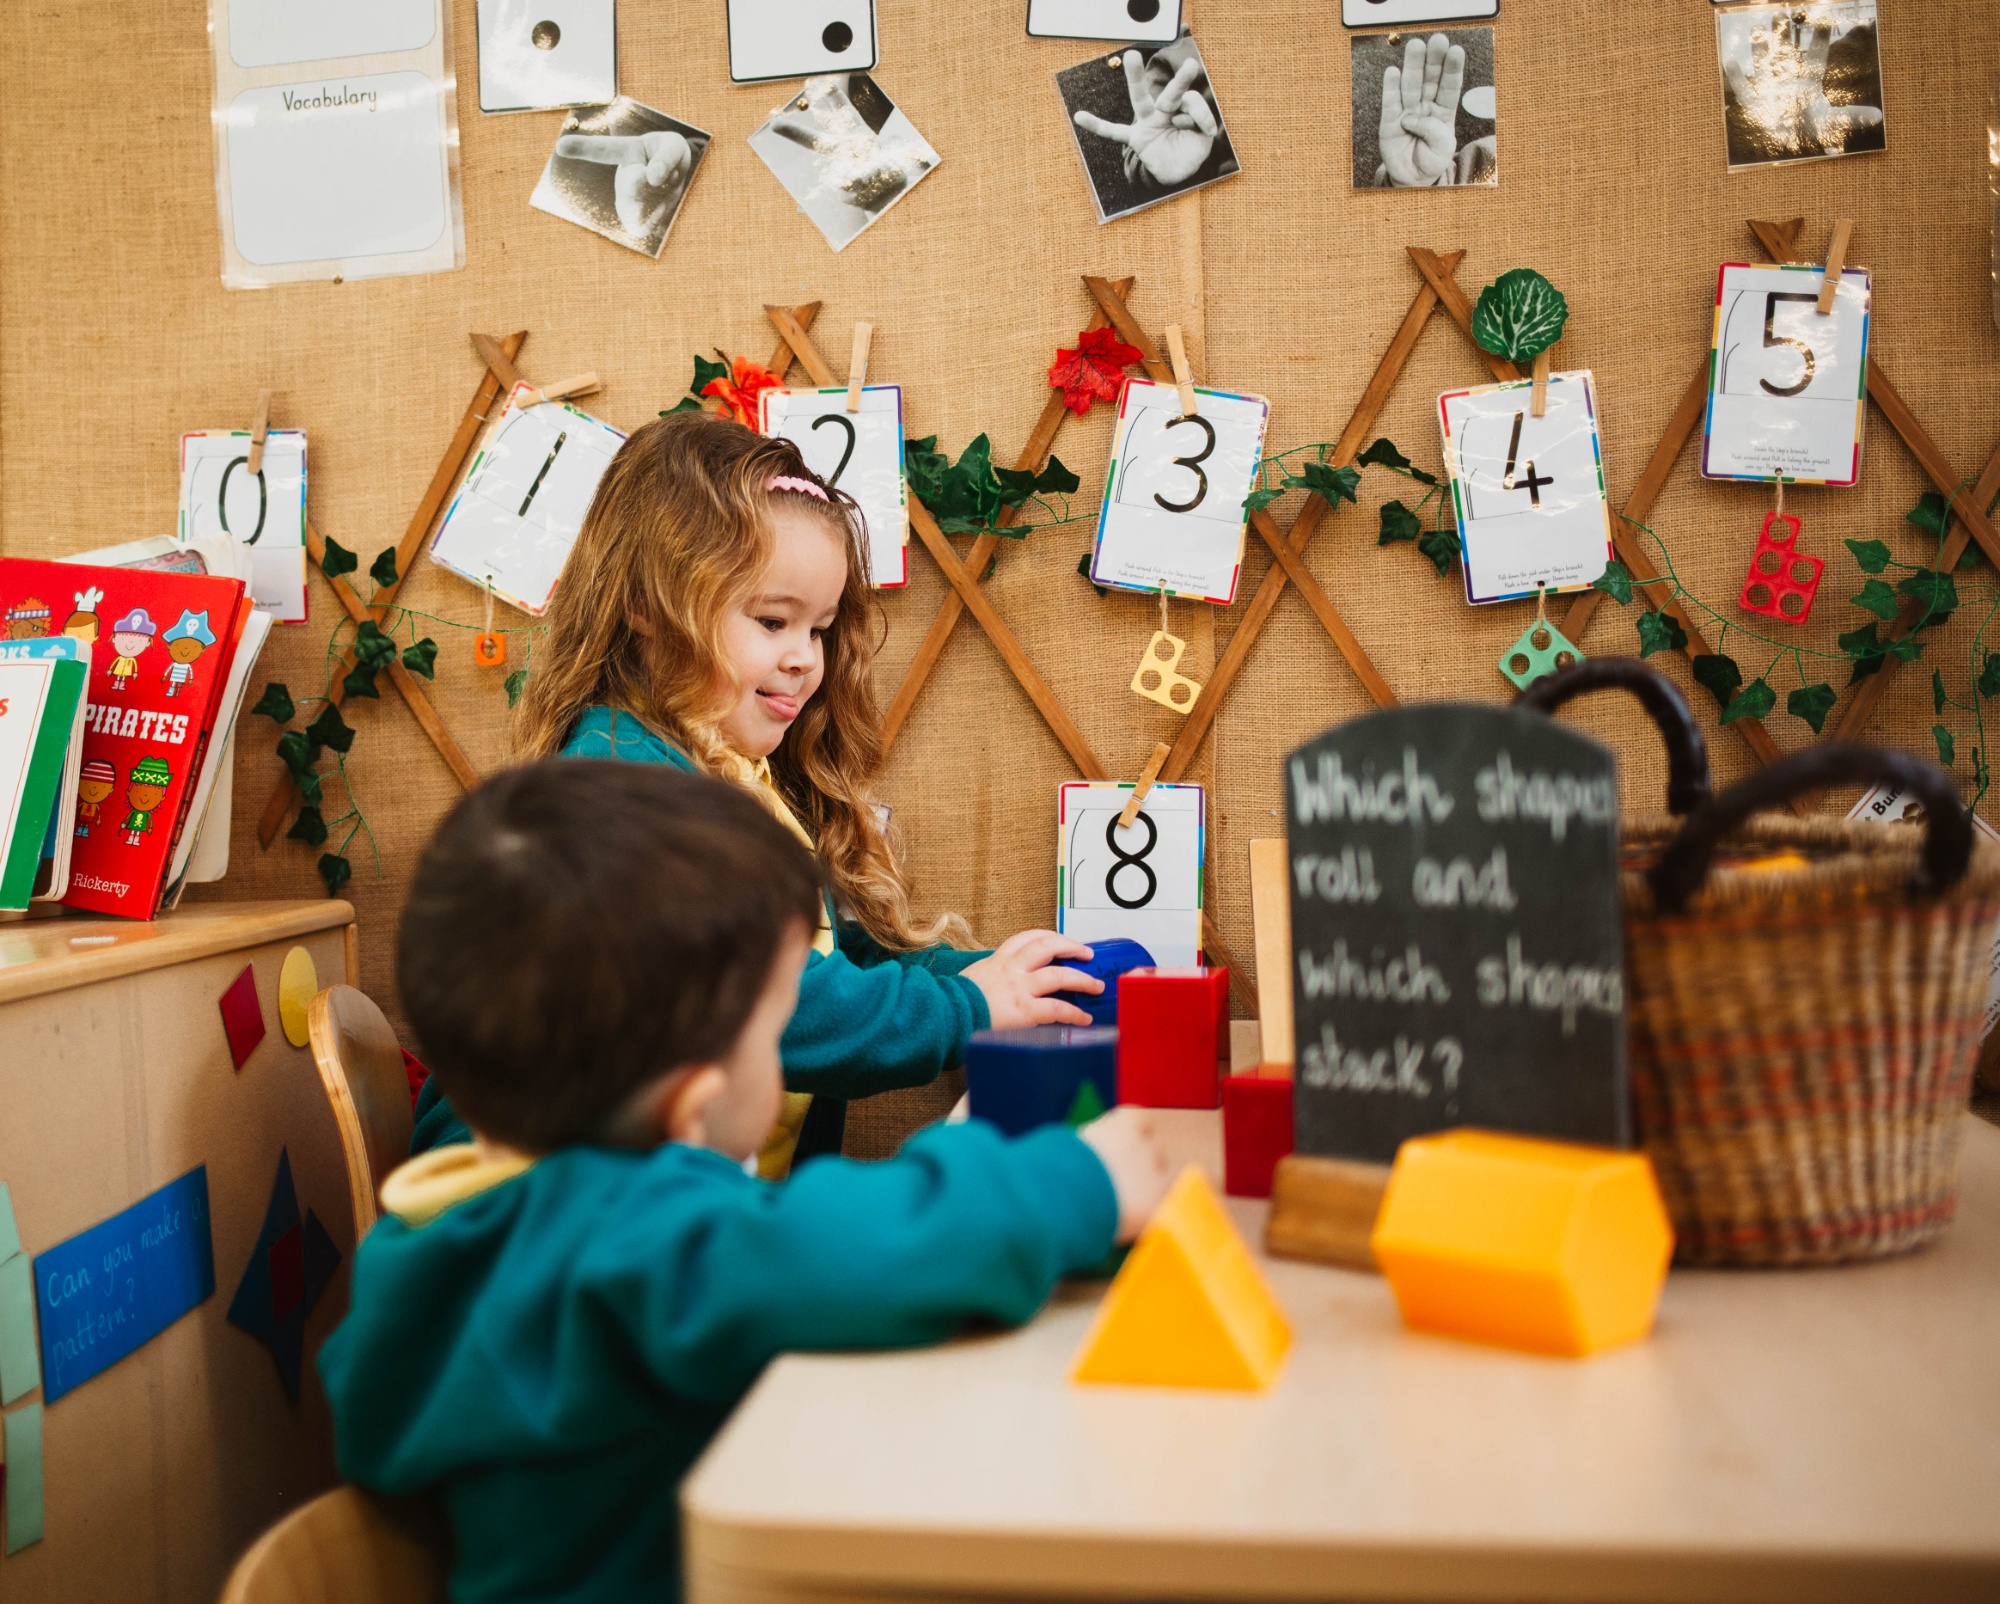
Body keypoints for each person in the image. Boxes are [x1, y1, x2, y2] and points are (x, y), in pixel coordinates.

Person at [318, 760, 1171, 1604]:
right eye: (772, 1039)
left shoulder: (421, 1249)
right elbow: (848, 1245)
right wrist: (1082, 1182)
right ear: (695, 1105)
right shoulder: (637, 1245)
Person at [411, 413, 1103, 1169]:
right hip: (535, 1212)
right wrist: (968, 1010)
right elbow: (755, 1003)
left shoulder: (741, 782)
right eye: (774, 620)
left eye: (821, 629)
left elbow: (851, 968)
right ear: (648, 605)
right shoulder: (618, 788)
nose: (806, 659)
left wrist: (1002, 977)